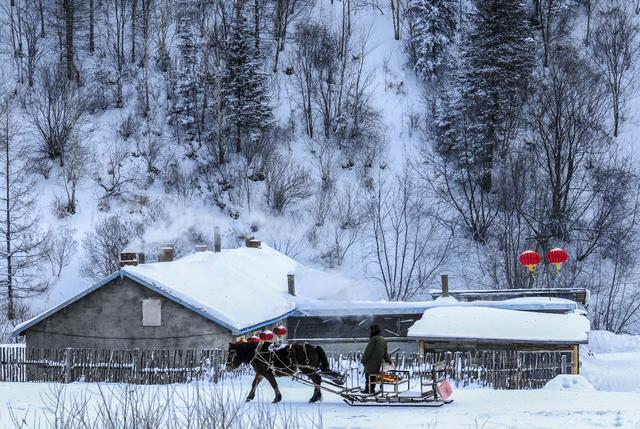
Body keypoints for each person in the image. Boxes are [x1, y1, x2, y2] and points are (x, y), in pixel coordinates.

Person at [361, 324, 391, 394]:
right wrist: (388, 361)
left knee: (368, 377)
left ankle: (367, 390)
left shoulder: (373, 339)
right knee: (373, 377)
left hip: (370, 363)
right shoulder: (383, 340)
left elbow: (368, 351)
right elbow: (385, 353)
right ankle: (372, 390)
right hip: (377, 364)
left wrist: (363, 361)